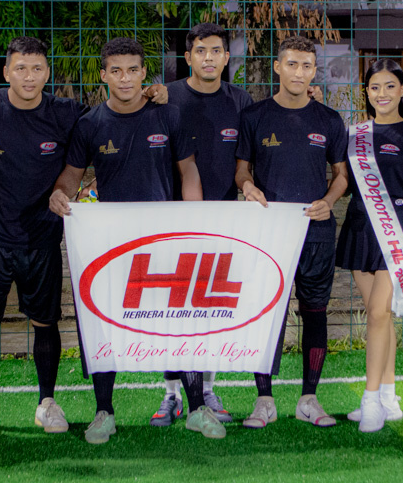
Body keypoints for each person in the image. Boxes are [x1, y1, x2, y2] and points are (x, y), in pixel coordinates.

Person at [49, 37, 224, 444]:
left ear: (144, 73)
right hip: (112, 243)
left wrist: (195, 217)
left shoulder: (168, 115)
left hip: (165, 238)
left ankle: (196, 409)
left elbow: (188, 170)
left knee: (181, 320)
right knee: (105, 322)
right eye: (116, 71)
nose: (125, 78)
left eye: (132, 70)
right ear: (104, 75)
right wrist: (60, 193)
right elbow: (72, 176)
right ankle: (104, 413)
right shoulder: (91, 123)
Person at [0, 37, 86, 439]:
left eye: (36, 69)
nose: (29, 77)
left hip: (43, 239)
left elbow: (113, 123)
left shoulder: (65, 112)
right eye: (20, 68)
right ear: (6, 72)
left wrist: (154, 95)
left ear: (47, 72)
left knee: (45, 323)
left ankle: (47, 402)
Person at [235, 34, 349, 429]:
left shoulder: (329, 120)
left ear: (314, 71)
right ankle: (264, 400)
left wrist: (329, 200)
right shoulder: (255, 116)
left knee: (315, 313)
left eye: (306, 66)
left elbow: (341, 175)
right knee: (268, 316)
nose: (299, 72)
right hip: (269, 235)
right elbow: (241, 169)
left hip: (315, 233)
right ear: (277, 67)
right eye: (292, 64)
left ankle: (308, 399)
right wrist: (247, 187)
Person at [148, 23, 253, 427]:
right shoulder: (166, 96)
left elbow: (247, 158)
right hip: (171, 218)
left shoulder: (241, 100)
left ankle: (208, 387)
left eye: (216, 50)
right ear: (188, 57)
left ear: (226, 57)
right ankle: (171, 394)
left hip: (221, 218)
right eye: (200, 50)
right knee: (171, 308)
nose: (208, 57)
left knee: (210, 307)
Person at [336, 59, 403, 432]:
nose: (382, 94)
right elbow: (342, 180)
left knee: (379, 313)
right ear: (366, 92)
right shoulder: (353, 134)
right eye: (375, 87)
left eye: (390, 86)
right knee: (379, 315)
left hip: (399, 228)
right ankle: (388, 398)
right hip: (361, 226)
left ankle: (370, 400)